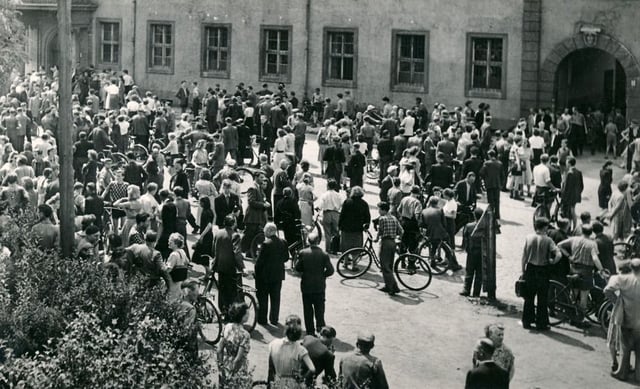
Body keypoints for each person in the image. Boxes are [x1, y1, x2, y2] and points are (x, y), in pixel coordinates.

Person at [557, 224, 606, 327]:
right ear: (591, 232)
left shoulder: (574, 239)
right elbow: (595, 258)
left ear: (582, 231)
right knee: (583, 298)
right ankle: (580, 320)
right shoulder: (592, 244)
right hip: (586, 272)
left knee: (574, 295)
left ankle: (572, 318)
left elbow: (559, 245)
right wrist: (601, 270)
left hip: (573, 269)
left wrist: (568, 256)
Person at [521, 217, 561, 330]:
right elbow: (558, 254)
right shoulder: (548, 240)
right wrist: (553, 262)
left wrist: (523, 270)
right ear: (544, 227)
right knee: (542, 298)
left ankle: (527, 321)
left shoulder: (528, 238)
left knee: (529, 297)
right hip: (543, 270)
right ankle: (541, 323)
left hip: (530, 269)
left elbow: (524, 256)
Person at [604, 258, 640, 382]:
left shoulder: (624, 279)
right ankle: (638, 375)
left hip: (627, 318)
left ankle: (622, 372)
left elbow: (607, 290)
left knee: (626, 347)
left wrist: (616, 302)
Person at [295, 232, 334, 335]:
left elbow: (297, 268)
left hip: (306, 285)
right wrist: (323, 275)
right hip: (319, 286)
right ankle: (321, 328)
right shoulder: (324, 254)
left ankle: (310, 331)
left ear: (308, 241)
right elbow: (331, 270)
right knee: (320, 309)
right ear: (318, 241)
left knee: (307, 310)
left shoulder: (303, 252)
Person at [268, 315, 316, 387]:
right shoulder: (300, 349)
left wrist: (269, 384)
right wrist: (302, 379)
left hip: (277, 381)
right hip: (293, 383)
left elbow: (271, 368)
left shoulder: (273, 344)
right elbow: (312, 369)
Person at [255, 222, 289, 326]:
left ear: (269, 231)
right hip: (278, 275)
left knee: (263, 298)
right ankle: (274, 319)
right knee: (275, 298)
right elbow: (286, 258)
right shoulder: (283, 242)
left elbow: (259, 262)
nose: (264, 232)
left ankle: (262, 319)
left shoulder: (266, 244)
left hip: (265, 276)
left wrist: (256, 274)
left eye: (265, 230)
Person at [212, 215, 245, 314]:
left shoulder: (218, 233)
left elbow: (213, 250)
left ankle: (223, 311)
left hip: (220, 266)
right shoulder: (235, 235)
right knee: (232, 292)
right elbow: (237, 253)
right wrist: (242, 267)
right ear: (234, 223)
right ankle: (231, 313)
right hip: (230, 268)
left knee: (222, 290)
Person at [217, 302, 251, 389]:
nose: (248, 315)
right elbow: (238, 358)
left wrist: (221, 367)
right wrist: (232, 373)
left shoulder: (227, 327)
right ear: (242, 317)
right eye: (247, 313)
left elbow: (219, 349)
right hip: (238, 367)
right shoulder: (245, 334)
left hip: (226, 362)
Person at [375, 202, 403, 295]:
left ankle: (391, 288)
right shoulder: (394, 218)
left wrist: (376, 238)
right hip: (393, 242)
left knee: (384, 266)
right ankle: (391, 286)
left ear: (383, 210)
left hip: (385, 242)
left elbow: (380, 231)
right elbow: (401, 231)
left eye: (379, 209)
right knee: (389, 265)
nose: (378, 211)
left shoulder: (382, 219)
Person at [338, 186, 370, 253]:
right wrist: (366, 225)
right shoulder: (364, 204)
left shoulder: (347, 202)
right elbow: (367, 216)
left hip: (346, 227)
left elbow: (342, 214)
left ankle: (345, 261)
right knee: (356, 246)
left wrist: (339, 225)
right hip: (358, 229)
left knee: (346, 246)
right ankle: (354, 262)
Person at [461, 208, 485, 297]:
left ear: (474, 216)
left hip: (472, 252)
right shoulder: (485, 227)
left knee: (469, 271)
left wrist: (466, 248)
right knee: (479, 273)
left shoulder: (469, 226)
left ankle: (466, 290)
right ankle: (476, 292)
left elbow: (465, 239)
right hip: (482, 253)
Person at [316, 179, 344, 254]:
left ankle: (328, 249)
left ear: (328, 186)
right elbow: (342, 204)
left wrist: (317, 209)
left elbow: (320, 205)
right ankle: (335, 248)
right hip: (336, 214)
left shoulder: (325, 194)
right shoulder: (339, 195)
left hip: (327, 213)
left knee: (327, 233)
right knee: (336, 232)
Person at [397, 185, 423, 254]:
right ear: (418, 194)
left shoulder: (404, 199)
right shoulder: (417, 202)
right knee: (413, 243)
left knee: (403, 241)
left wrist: (401, 217)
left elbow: (398, 210)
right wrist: (419, 224)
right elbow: (417, 215)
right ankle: (411, 262)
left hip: (403, 222)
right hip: (412, 223)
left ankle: (402, 260)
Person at [480, 150, 504, 219]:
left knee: (490, 200)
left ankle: (491, 214)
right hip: (497, 183)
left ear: (489, 155)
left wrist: (484, 180)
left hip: (489, 184)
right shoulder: (500, 163)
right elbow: (502, 175)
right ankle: (497, 214)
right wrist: (501, 183)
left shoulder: (487, 163)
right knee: (497, 200)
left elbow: (481, 172)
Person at [165, 232, 189, 301]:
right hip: (180, 279)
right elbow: (187, 262)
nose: (168, 242)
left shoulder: (173, 255)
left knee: (171, 298)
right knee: (178, 297)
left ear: (176, 244)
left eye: (170, 241)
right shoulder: (182, 251)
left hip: (172, 279)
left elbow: (169, 269)